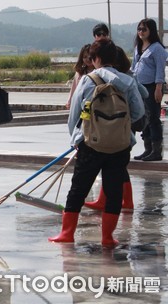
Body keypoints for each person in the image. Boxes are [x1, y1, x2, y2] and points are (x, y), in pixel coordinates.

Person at [49, 38, 145, 246]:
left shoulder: (87, 80)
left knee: (78, 189)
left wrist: (76, 139)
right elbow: (138, 113)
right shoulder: (128, 81)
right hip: (120, 146)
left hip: (90, 144)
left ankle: (67, 234)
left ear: (96, 59)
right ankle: (108, 237)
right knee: (113, 191)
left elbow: (74, 116)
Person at [84, 44, 147, 213]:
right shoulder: (128, 78)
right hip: (123, 130)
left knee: (113, 168)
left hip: (110, 131)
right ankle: (120, 202)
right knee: (118, 168)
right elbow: (143, 99)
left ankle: (121, 202)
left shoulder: (118, 78)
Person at [131, 18, 167, 161]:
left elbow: (160, 70)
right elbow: (133, 68)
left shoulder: (157, 48)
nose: (141, 32)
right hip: (139, 87)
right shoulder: (138, 47)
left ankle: (156, 150)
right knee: (143, 118)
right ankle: (148, 149)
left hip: (152, 86)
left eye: (144, 29)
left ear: (151, 30)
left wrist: (158, 88)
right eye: (139, 29)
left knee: (153, 118)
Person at [66, 44, 94, 109]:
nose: (88, 59)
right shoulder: (79, 73)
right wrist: (69, 101)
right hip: (81, 104)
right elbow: (74, 89)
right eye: (85, 57)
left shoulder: (99, 72)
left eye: (90, 57)